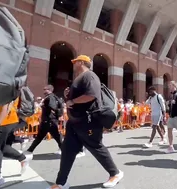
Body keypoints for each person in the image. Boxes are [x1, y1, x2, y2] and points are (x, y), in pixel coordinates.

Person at [48, 55, 123, 189]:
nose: (73, 64)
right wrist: (68, 95)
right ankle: (61, 183)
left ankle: (115, 173)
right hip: (75, 121)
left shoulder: (89, 76)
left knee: (96, 147)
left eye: (75, 62)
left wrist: (72, 101)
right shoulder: (79, 78)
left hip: (88, 121)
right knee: (67, 150)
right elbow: (81, 95)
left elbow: (91, 94)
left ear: (81, 62)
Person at [0, 98, 32, 189]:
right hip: (7, 120)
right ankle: (22, 158)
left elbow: (6, 106)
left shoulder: (5, 87)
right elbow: (3, 106)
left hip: (5, 121)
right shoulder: (8, 87)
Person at [25, 85, 63, 156]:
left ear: (49, 90)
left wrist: (49, 109)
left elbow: (53, 106)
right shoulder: (53, 97)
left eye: (45, 89)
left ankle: (29, 150)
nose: (44, 91)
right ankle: (30, 150)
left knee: (44, 137)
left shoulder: (50, 97)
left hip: (48, 120)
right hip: (50, 120)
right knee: (55, 136)